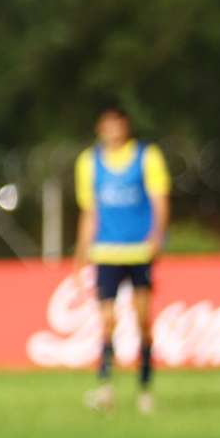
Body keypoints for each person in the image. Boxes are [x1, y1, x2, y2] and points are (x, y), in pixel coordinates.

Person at [75, 104, 170, 415]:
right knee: (106, 320)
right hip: (106, 251)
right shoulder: (89, 163)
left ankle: (144, 387)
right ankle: (105, 386)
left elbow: (159, 200)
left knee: (143, 319)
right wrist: (80, 254)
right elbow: (89, 211)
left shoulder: (147, 157)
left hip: (139, 250)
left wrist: (157, 236)